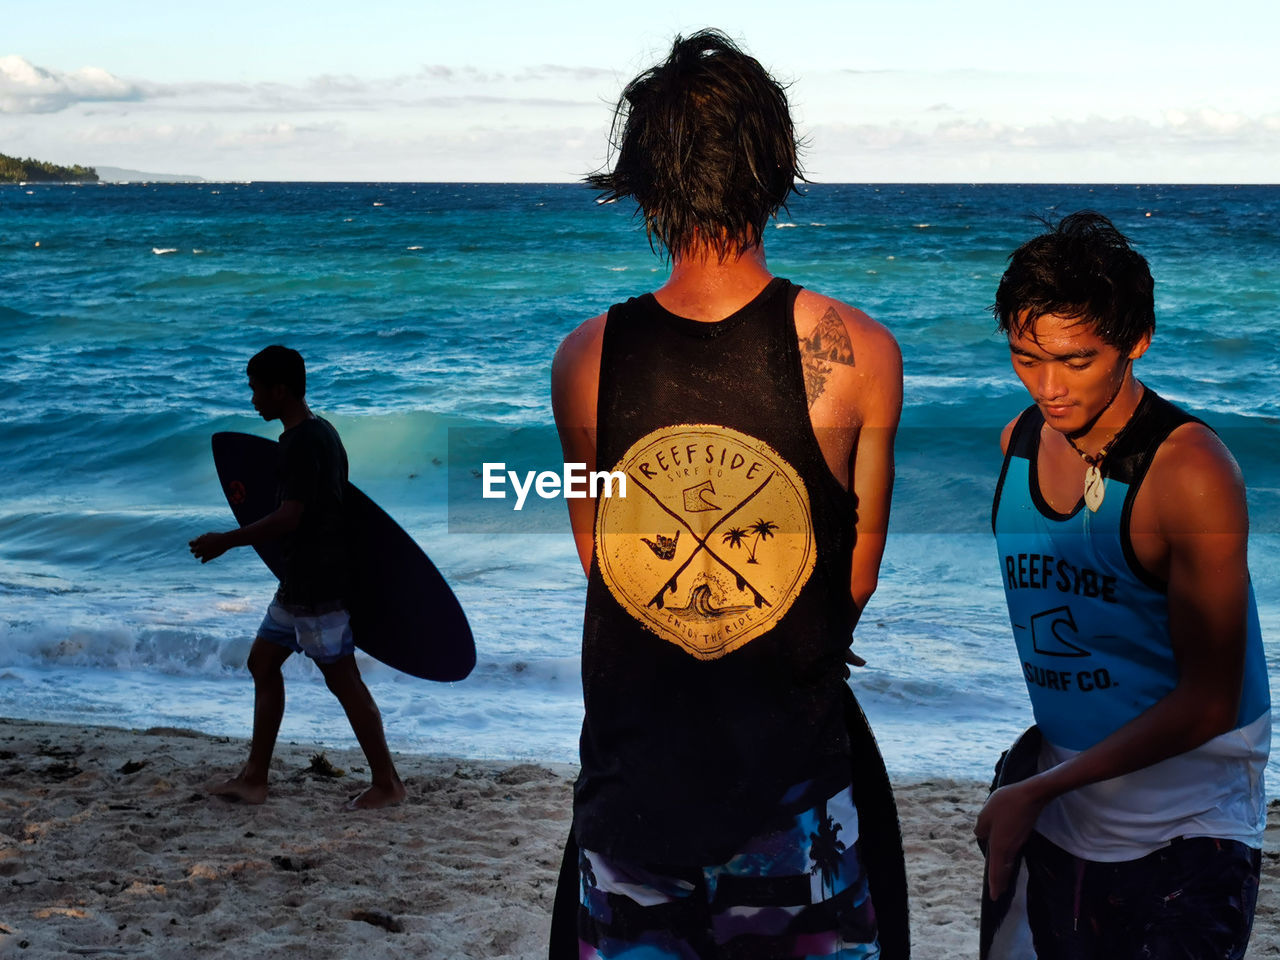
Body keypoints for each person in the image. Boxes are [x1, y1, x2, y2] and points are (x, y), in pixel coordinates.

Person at [550, 30, 906, 959]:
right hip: (790, 799)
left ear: (642, 181)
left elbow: (606, 561)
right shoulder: (858, 352)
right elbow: (854, 577)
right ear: (776, 165)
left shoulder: (586, 359)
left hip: (634, 796)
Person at [976, 212, 1270, 958]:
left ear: (1136, 341)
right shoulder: (1018, 444)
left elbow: (1210, 698)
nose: (1048, 388)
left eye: (1076, 361)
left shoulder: (1191, 473)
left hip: (1187, 830)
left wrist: (1031, 794)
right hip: (1060, 809)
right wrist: (1039, 785)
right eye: (1025, 358)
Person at [190, 345, 405, 810]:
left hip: (317, 586)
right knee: (262, 663)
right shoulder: (321, 432)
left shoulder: (304, 443)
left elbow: (291, 516)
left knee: (343, 680)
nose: (253, 401)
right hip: (300, 583)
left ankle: (388, 783)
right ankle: (254, 778)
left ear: (280, 390)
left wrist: (228, 539)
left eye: (256, 391)